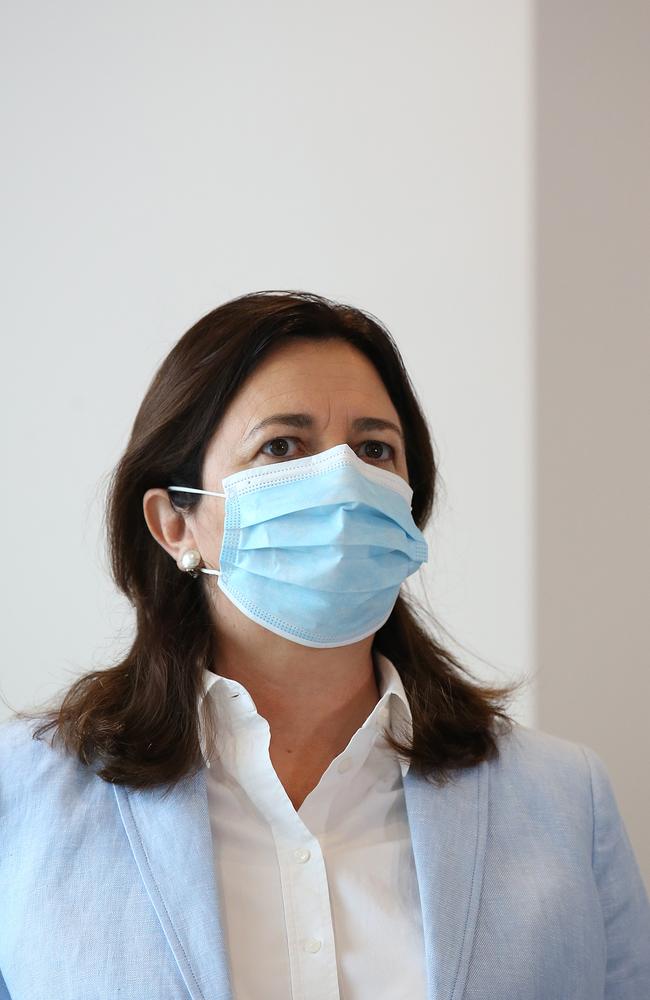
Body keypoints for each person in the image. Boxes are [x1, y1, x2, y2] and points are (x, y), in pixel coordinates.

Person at [0, 290, 648, 1000]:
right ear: (175, 523)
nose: (343, 481)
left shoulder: (562, 800)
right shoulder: (21, 799)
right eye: (282, 446)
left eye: (375, 449)